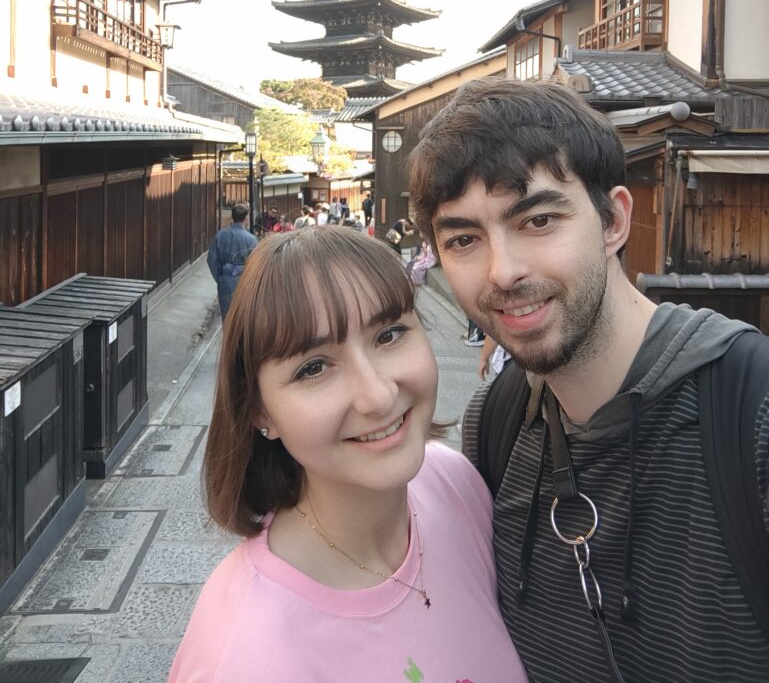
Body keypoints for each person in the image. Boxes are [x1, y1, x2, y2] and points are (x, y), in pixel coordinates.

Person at [408, 78, 769, 683]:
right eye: (464, 239)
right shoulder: (495, 425)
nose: (504, 271)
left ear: (613, 221)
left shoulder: (751, 418)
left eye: (539, 219)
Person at [169, 229, 527, 682]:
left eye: (390, 334)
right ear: (260, 410)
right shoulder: (245, 656)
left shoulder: (453, 482)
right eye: (313, 367)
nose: (377, 396)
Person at [206, 203, 258, 319]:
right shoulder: (251, 239)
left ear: (232, 217)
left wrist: (219, 276)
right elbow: (256, 264)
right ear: (246, 219)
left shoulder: (220, 236)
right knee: (243, 318)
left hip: (225, 280)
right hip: (244, 281)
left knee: (227, 317)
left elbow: (211, 260)